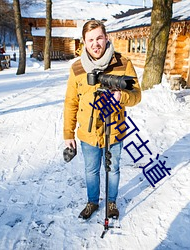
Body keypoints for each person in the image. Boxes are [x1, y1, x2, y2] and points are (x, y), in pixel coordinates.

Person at [63, 20, 141, 220]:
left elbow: (137, 95)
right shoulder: (77, 68)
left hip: (115, 129)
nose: (95, 43)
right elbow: (71, 102)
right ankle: (92, 202)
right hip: (88, 133)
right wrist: (68, 134)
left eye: (99, 38)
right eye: (91, 40)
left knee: (113, 168)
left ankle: (112, 202)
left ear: (106, 38)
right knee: (91, 170)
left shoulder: (123, 63)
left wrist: (121, 96)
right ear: (84, 42)